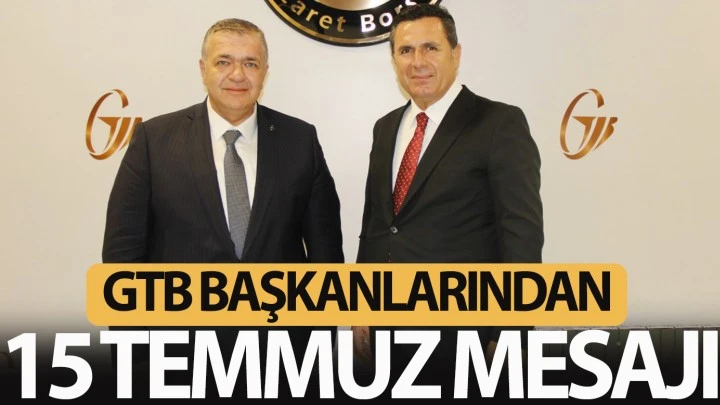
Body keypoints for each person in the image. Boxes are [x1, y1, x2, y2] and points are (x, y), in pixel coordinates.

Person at [102, 18, 344, 399]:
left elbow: (326, 258)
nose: (237, 75)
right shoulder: (154, 141)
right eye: (223, 62)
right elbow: (122, 259)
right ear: (203, 69)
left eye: (250, 63)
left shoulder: (301, 141)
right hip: (177, 359)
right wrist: (135, 358)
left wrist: (317, 349)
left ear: (265, 72)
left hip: (282, 362)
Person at [353, 3, 544, 398]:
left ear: (455, 54)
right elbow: (376, 227)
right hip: (388, 330)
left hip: (467, 332)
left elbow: (521, 235)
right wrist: (361, 309)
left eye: (431, 48)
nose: (418, 62)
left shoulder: (499, 123)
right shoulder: (385, 128)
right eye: (406, 51)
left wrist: (511, 331)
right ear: (394, 60)